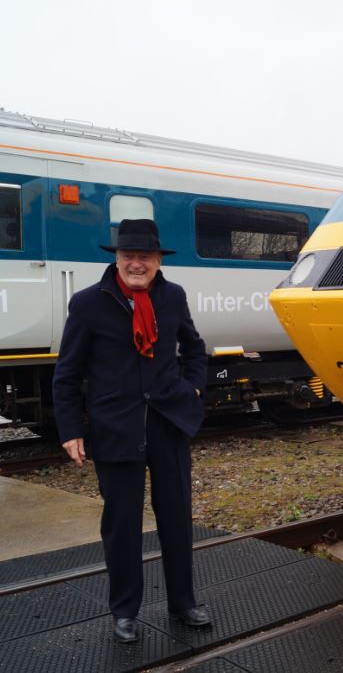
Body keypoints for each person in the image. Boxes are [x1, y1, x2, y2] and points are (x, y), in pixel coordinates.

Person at [53, 219, 212, 643]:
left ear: (158, 261)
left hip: (168, 423)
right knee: (121, 525)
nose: (136, 264)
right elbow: (67, 373)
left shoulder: (173, 296)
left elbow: (194, 349)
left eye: (145, 257)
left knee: (176, 518)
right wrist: (71, 429)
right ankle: (125, 611)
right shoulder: (89, 303)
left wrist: (193, 387)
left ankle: (183, 602)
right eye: (128, 256)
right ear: (117, 259)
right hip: (114, 428)